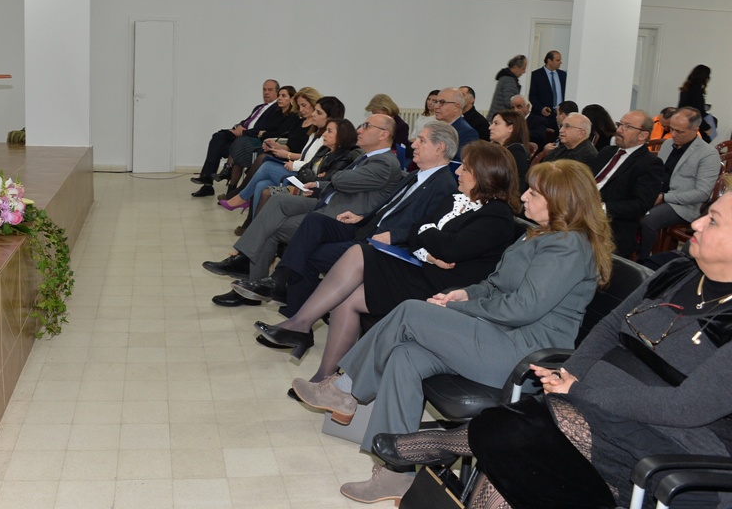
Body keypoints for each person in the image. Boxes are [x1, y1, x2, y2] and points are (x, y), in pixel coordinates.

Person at [378, 176, 732, 509]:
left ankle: (443, 443)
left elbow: (685, 408)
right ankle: (444, 443)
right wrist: (570, 373)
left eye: (713, 221)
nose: (696, 223)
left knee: (521, 432)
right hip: (593, 408)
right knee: (517, 459)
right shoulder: (676, 273)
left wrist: (580, 390)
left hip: (669, 442)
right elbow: (610, 327)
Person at [290, 160, 614, 504]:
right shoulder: (542, 234)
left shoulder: (568, 245)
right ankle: (395, 473)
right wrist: (465, 294)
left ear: (560, 200)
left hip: (523, 352)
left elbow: (522, 309)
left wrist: (458, 309)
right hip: (497, 334)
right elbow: (496, 284)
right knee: (405, 356)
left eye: (534, 193)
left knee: (411, 312)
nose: (525, 197)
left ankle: (345, 391)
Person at [255, 141, 520, 380]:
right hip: (421, 268)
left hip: (442, 288)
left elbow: (448, 249)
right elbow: (416, 232)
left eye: (466, 168)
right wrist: (428, 248)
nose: (458, 171)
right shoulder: (456, 199)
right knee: (348, 296)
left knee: (360, 252)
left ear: (486, 175)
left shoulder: (497, 216)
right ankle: (324, 376)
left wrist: (427, 233)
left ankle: (300, 325)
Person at [231, 122, 460, 316]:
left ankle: (292, 311)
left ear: (439, 148)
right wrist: (362, 217)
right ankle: (280, 283)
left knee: (308, 252)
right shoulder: (416, 175)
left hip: (384, 245)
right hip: (364, 226)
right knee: (313, 222)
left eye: (421, 140)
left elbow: (427, 227)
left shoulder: (443, 184)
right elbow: (388, 207)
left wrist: (394, 235)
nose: (413, 144)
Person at [203, 114, 403, 304]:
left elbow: (342, 179)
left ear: (383, 134)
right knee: (278, 200)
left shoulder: (384, 162)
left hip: (339, 217)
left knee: (272, 227)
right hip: (328, 202)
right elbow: (342, 181)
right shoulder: (366, 157)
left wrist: (331, 177)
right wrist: (319, 183)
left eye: (366, 126)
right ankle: (245, 260)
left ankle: (251, 283)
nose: (360, 129)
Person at [219, 95, 343, 214]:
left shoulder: (326, 140)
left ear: (330, 118)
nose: (313, 114)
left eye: (318, 112)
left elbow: (315, 166)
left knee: (267, 165)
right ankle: (253, 223)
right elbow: (306, 157)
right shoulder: (314, 134)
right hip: (300, 171)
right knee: (262, 185)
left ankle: (241, 198)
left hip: (306, 181)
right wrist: (280, 150)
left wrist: (291, 162)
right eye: (315, 110)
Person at [638, 107, 722, 259]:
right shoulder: (667, 144)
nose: (673, 134)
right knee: (628, 208)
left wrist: (664, 197)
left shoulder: (708, 154)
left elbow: (702, 193)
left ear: (695, 130)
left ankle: (643, 261)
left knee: (648, 220)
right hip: (658, 195)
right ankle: (626, 252)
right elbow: (656, 175)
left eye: (679, 132)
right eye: (671, 129)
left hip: (683, 205)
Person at [590, 109, 664, 258]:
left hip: (612, 223)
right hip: (583, 210)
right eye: (620, 124)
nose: (619, 130)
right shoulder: (607, 152)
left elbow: (640, 205)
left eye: (627, 127)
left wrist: (601, 208)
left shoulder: (650, 164)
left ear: (643, 135)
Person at [191, 79, 280, 197]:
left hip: (251, 141)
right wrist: (238, 126)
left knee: (234, 145)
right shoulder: (259, 107)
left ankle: (223, 178)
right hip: (242, 135)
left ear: (277, 92)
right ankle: (207, 181)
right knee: (218, 138)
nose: (266, 92)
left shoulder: (276, 109)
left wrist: (244, 132)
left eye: (270, 90)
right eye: (264, 90)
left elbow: (265, 129)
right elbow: (247, 121)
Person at [216, 85, 299, 193]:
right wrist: (263, 133)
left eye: (283, 96)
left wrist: (264, 134)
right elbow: (266, 128)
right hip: (264, 142)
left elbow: (281, 133)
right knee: (239, 153)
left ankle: (229, 178)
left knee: (241, 143)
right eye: (279, 95)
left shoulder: (293, 116)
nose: (279, 98)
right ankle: (231, 190)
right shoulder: (276, 112)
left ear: (292, 99)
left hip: (275, 145)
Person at [488, 109, 531, 193]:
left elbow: (517, 186)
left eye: (496, 123)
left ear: (510, 128)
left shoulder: (516, 151)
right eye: (492, 123)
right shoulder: (498, 149)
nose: (490, 127)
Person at [432, 87, 478, 159]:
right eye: (436, 102)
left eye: (442, 102)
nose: (436, 106)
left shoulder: (467, 133)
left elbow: (459, 162)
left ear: (456, 107)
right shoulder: (434, 127)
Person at [528, 50, 566, 132]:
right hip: (543, 115)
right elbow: (532, 95)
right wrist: (540, 108)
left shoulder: (563, 75)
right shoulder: (536, 75)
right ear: (549, 61)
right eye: (557, 60)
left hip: (559, 114)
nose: (560, 62)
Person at [678, 64, 711, 139]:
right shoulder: (696, 90)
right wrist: (707, 128)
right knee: (712, 128)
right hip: (692, 121)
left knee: (712, 120)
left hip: (684, 118)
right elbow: (698, 112)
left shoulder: (686, 88)